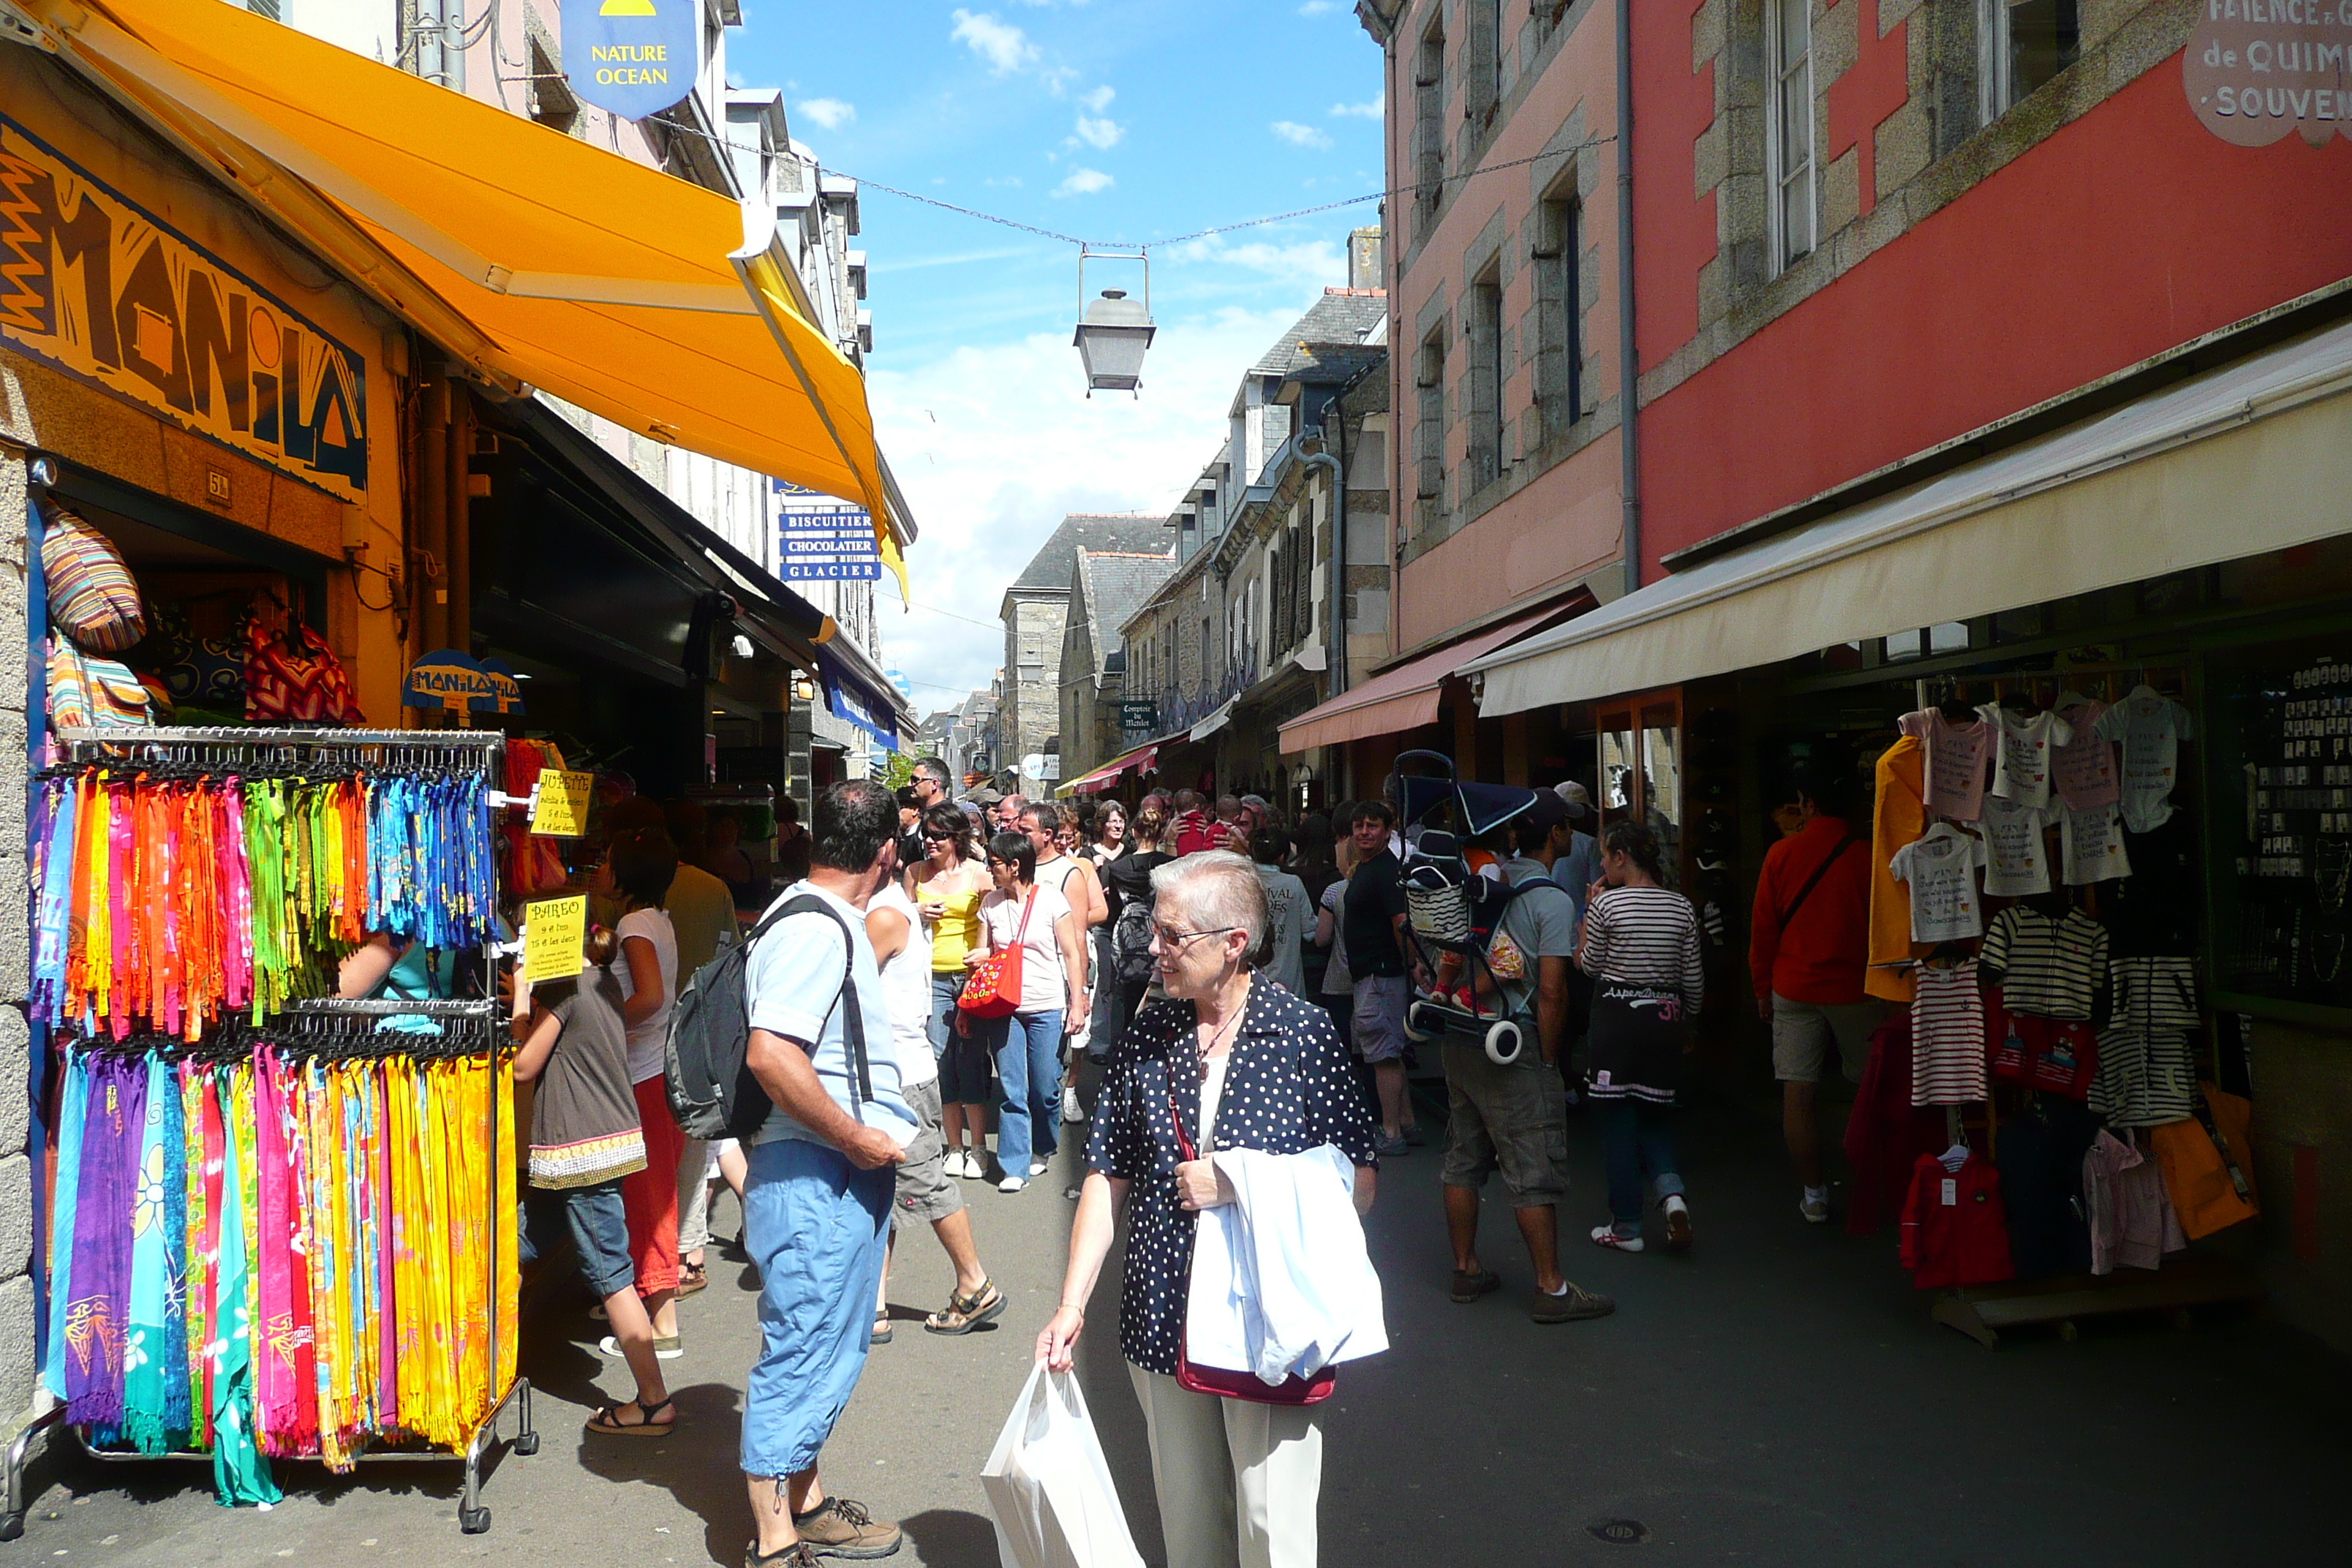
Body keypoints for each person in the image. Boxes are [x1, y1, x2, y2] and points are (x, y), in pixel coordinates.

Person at [1037, 851, 1378, 1568]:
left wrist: (1238, 1181)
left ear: (1234, 942)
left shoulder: (1301, 1033)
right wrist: (1072, 1303)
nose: (1154, 949)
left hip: (1268, 1319)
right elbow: (1106, 1171)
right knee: (1190, 1522)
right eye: (1156, 932)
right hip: (1160, 1309)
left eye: (1173, 936)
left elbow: (1359, 1182)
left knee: (1272, 1526)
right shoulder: (1149, 1034)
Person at [738, 780, 916, 1566]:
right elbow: (770, 1052)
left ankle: (803, 1500)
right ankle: (774, 1541)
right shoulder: (815, 928)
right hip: (816, 1166)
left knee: (830, 1342)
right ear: (884, 852)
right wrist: (854, 1139)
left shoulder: (814, 916)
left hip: (830, 1166)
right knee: (803, 1344)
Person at [1444, 792, 1617, 1322]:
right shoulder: (1554, 900)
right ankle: (1551, 1288)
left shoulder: (1485, 880)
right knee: (1532, 1167)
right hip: (1512, 1043)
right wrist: (1547, 1058)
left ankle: (1467, 1269)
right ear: (1558, 834)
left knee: (1463, 1157)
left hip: (1462, 1031)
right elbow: (1552, 992)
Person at [510, 921, 673, 1436]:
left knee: (611, 1276)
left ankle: (653, 1400)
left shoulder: (564, 992)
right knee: (517, 1245)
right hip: (593, 1147)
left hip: (581, 1154)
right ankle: (488, 1364)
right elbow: (547, 1044)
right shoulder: (602, 981)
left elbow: (522, 1065)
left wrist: (520, 992)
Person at [867, 873, 1008, 1339]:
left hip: (899, 1076)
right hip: (893, 1072)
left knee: (923, 1181)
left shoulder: (884, 915)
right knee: (881, 1188)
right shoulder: (896, 909)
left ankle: (974, 1283)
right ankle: (875, 1303)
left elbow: (844, 988)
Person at [1750, 764, 1880, 1224]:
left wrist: (1762, 988)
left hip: (1793, 985)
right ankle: (1873, 1183)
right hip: (1856, 988)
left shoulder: (1782, 854)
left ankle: (1814, 1194)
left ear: (1809, 803)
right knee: (1872, 1090)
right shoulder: (1871, 856)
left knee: (1797, 1096)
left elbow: (1763, 930)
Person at [585, 829, 689, 1362]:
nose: (598, 867)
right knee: (649, 1194)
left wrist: (598, 1024)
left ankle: (663, 1322)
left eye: (606, 858)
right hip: (651, 1071)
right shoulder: (656, 920)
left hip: (642, 1073)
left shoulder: (632, 923)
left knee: (648, 1198)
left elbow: (650, 996)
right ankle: (646, 1306)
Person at [1578, 821, 1705, 1254]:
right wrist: (1687, 1022)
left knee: (1617, 1123)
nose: (1600, 863)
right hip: (1664, 1021)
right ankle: (1672, 1197)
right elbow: (1693, 980)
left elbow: (1590, 965)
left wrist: (1589, 910)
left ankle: (1627, 1226)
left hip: (1616, 1021)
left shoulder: (1607, 906)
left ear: (1621, 858)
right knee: (1655, 1115)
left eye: (1604, 855)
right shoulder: (1681, 907)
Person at [966, 830, 1089, 1193]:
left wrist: (1077, 1002)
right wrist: (968, 995)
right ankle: (1013, 1165)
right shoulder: (990, 903)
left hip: (1046, 1004)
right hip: (1003, 1006)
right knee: (1011, 1087)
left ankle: (1045, 1146)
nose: (990, 871)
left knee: (1045, 1087)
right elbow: (981, 953)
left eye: (995, 864)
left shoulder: (1052, 900)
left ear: (1015, 865)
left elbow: (1071, 954)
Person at [911, 804, 994, 1178]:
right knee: (941, 1062)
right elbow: (896, 918)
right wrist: (916, 912)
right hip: (930, 979)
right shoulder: (914, 873)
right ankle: (954, 1146)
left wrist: (987, 953)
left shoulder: (979, 875)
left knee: (972, 1061)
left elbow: (996, 922)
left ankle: (979, 1148)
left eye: (938, 835)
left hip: (970, 977)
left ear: (956, 838)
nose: (929, 841)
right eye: (926, 834)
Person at [1343, 799, 1423, 1154]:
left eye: (1372, 826)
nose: (1363, 832)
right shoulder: (1367, 866)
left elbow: (1400, 923)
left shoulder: (1384, 870)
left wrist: (1412, 965)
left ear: (1388, 831)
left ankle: (1390, 1133)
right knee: (1389, 1050)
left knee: (1383, 1056)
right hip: (1373, 974)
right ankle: (1406, 1123)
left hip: (1381, 975)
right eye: (1359, 825)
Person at [1020, 803, 1107, 1126]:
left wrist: (1080, 989)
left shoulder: (1074, 869)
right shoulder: (1020, 867)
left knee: (1072, 1036)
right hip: (1031, 966)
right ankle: (1041, 1097)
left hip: (1067, 962)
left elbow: (1085, 926)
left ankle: (1067, 1089)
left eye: (1024, 829)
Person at [1102, 801, 1175, 1036]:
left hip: (1128, 946)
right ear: (1161, 833)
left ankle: (1125, 1051)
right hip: (1163, 941)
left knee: (1126, 1002)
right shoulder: (1171, 866)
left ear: (1133, 832)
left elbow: (1113, 912)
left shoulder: (1117, 868)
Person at [1249, 827, 1312, 997]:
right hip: (1290, 981)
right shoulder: (1294, 884)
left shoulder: (1245, 883)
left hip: (1251, 981)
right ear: (1282, 857)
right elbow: (1310, 931)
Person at [706, 809, 764, 909]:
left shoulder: (746, 857)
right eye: (722, 827)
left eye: (731, 826)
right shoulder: (706, 862)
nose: (727, 832)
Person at [1171, 788, 1215, 856]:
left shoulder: (1174, 824)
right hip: (1201, 859)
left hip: (1181, 859)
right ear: (1197, 807)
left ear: (1176, 810)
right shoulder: (1203, 822)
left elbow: (1166, 836)